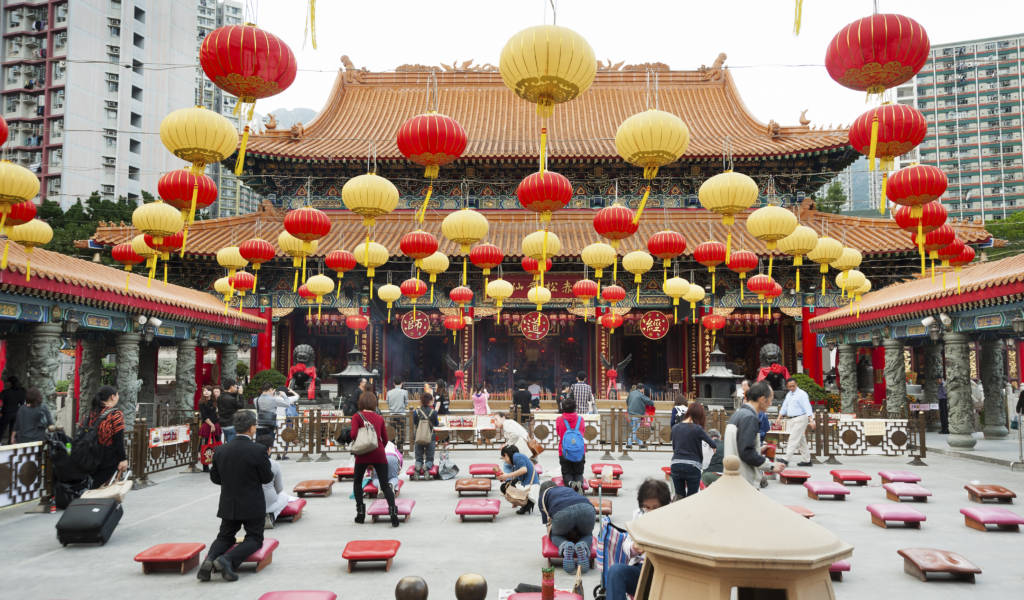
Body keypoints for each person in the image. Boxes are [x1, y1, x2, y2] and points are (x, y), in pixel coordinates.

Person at [197, 411, 274, 582]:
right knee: (254, 538)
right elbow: (267, 478)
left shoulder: (220, 450)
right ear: (252, 428)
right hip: (252, 503)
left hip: (228, 501)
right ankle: (226, 560)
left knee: (224, 536)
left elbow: (215, 478)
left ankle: (209, 560)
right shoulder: (258, 450)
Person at [604, 479, 671, 600]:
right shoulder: (638, 516)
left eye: (655, 507)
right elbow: (627, 543)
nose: (650, 511)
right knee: (615, 571)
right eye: (647, 507)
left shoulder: (672, 520)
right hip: (641, 570)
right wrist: (633, 548)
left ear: (664, 505)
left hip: (664, 573)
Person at [350, 385, 400, 527]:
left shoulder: (356, 416)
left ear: (361, 403)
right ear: (374, 403)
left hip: (362, 455)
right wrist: (376, 450)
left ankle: (360, 513)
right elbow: (385, 439)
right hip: (378, 453)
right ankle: (393, 513)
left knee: (358, 482)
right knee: (384, 485)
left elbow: (353, 435)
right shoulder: (379, 418)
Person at [728, 381, 784, 487]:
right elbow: (746, 452)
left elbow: (740, 446)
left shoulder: (738, 414)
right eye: (770, 400)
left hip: (734, 474)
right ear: (762, 399)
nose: (771, 404)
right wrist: (770, 466)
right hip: (744, 478)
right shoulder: (749, 417)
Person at [537, 480, 596, 574]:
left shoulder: (543, 496)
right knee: (587, 534)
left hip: (562, 512)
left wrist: (554, 533)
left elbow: (548, 525)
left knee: (555, 535)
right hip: (587, 508)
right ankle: (583, 546)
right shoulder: (566, 488)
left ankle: (565, 547)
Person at [669, 402, 716, 499]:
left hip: (676, 464)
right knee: (692, 498)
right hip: (693, 466)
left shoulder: (675, 428)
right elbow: (713, 444)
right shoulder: (697, 429)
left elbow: (675, 448)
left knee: (679, 496)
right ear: (699, 415)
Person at [83, 386, 128, 488]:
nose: (118, 397)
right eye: (117, 395)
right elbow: (118, 439)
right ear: (113, 397)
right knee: (99, 488)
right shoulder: (115, 415)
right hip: (107, 460)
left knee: (91, 486)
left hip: (89, 457)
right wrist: (123, 459)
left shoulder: (91, 414)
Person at [255, 433, 294, 529]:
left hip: (251, 502)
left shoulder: (248, 463)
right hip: (268, 502)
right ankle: (272, 516)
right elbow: (279, 489)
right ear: (269, 449)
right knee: (284, 496)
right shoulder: (274, 464)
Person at [777, 377, 815, 467]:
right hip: (792, 419)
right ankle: (807, 460)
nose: (791, 388)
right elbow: (784, 406)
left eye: (793, 386)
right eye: (789, 386)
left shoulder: (802, 394)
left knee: (793, 438)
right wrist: (779, 417)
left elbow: (807, 407)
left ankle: (786, 459)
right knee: (801, 440)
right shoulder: (789, 394)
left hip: (801, 418)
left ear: (796, 384)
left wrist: (811, 420)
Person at [496, 444, 539, 514]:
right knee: (506, 485)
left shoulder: (516, 456)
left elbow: (524, 470)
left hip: (530, 487)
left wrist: (507, 476)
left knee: (505, 487)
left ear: (506, 455)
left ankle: (527, 503)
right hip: (529, 485)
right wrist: (504, 477)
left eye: (503, 458)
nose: (504, 460)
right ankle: (525, 503)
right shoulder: (516, 458)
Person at [555, 398, 587, 493]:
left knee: (567, 472)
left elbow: (559, 433)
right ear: (575, 407)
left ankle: (570, 485)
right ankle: (579, 485)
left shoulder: (559, 420)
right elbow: (582, 433)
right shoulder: (580, 420)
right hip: (579, 451)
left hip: (564, 451)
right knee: (578, 472)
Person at [412, 392, 439, 478]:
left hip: (419, 436)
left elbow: (415, 423)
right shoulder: (433, 412)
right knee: (429, 458)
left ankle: (418, 467)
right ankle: (426, 467)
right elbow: (436, 424)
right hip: (430, 437)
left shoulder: (416, 412)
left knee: (418, 458)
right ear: (430, 401)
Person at [626, 384, 654, 448]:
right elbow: (649, 401)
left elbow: (627, 401)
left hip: (630, 414)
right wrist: (652, 403)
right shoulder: (641, 395)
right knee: (635, 429)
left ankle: (640, 444)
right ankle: (629, 443)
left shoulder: (631, 393)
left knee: (636, 429)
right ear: (642, 389)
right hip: (636, 414)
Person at [0, 375, 26, 444]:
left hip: (7, 413)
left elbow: (0, 403)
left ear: (10, 383)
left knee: (1, 429)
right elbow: (22, 403)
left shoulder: (6, 392)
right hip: (16, 413)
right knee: (12, 430)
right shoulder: (22, 391)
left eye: (6, 382)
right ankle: (10, 443)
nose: (5, 383)